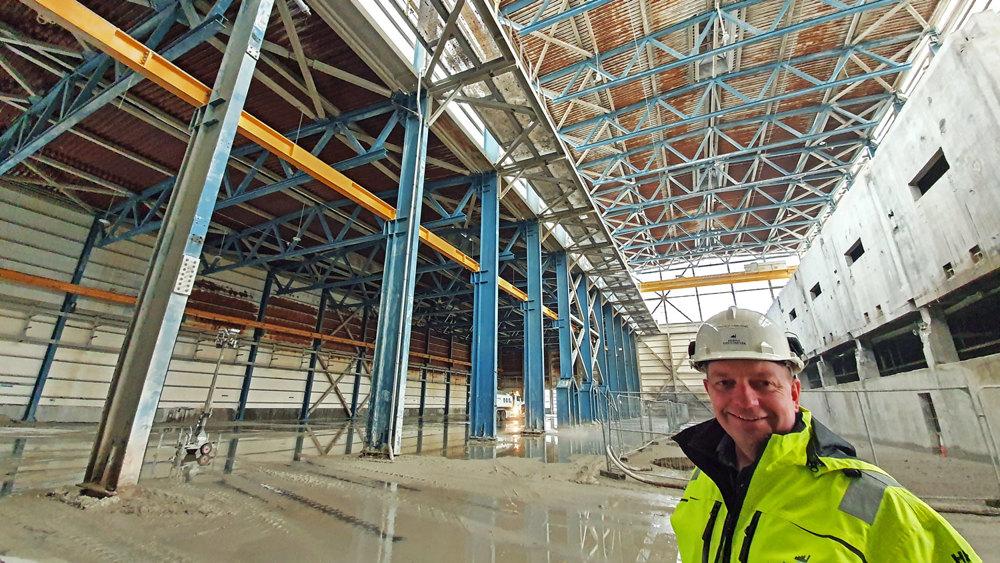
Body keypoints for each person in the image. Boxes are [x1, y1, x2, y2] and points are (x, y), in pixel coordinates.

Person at [670, 306, 980, 562]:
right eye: (726, 384)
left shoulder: (881, 507)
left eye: (763, 383)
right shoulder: (704, 479)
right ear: (709, 390)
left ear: (794, 392)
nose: (745, 401)